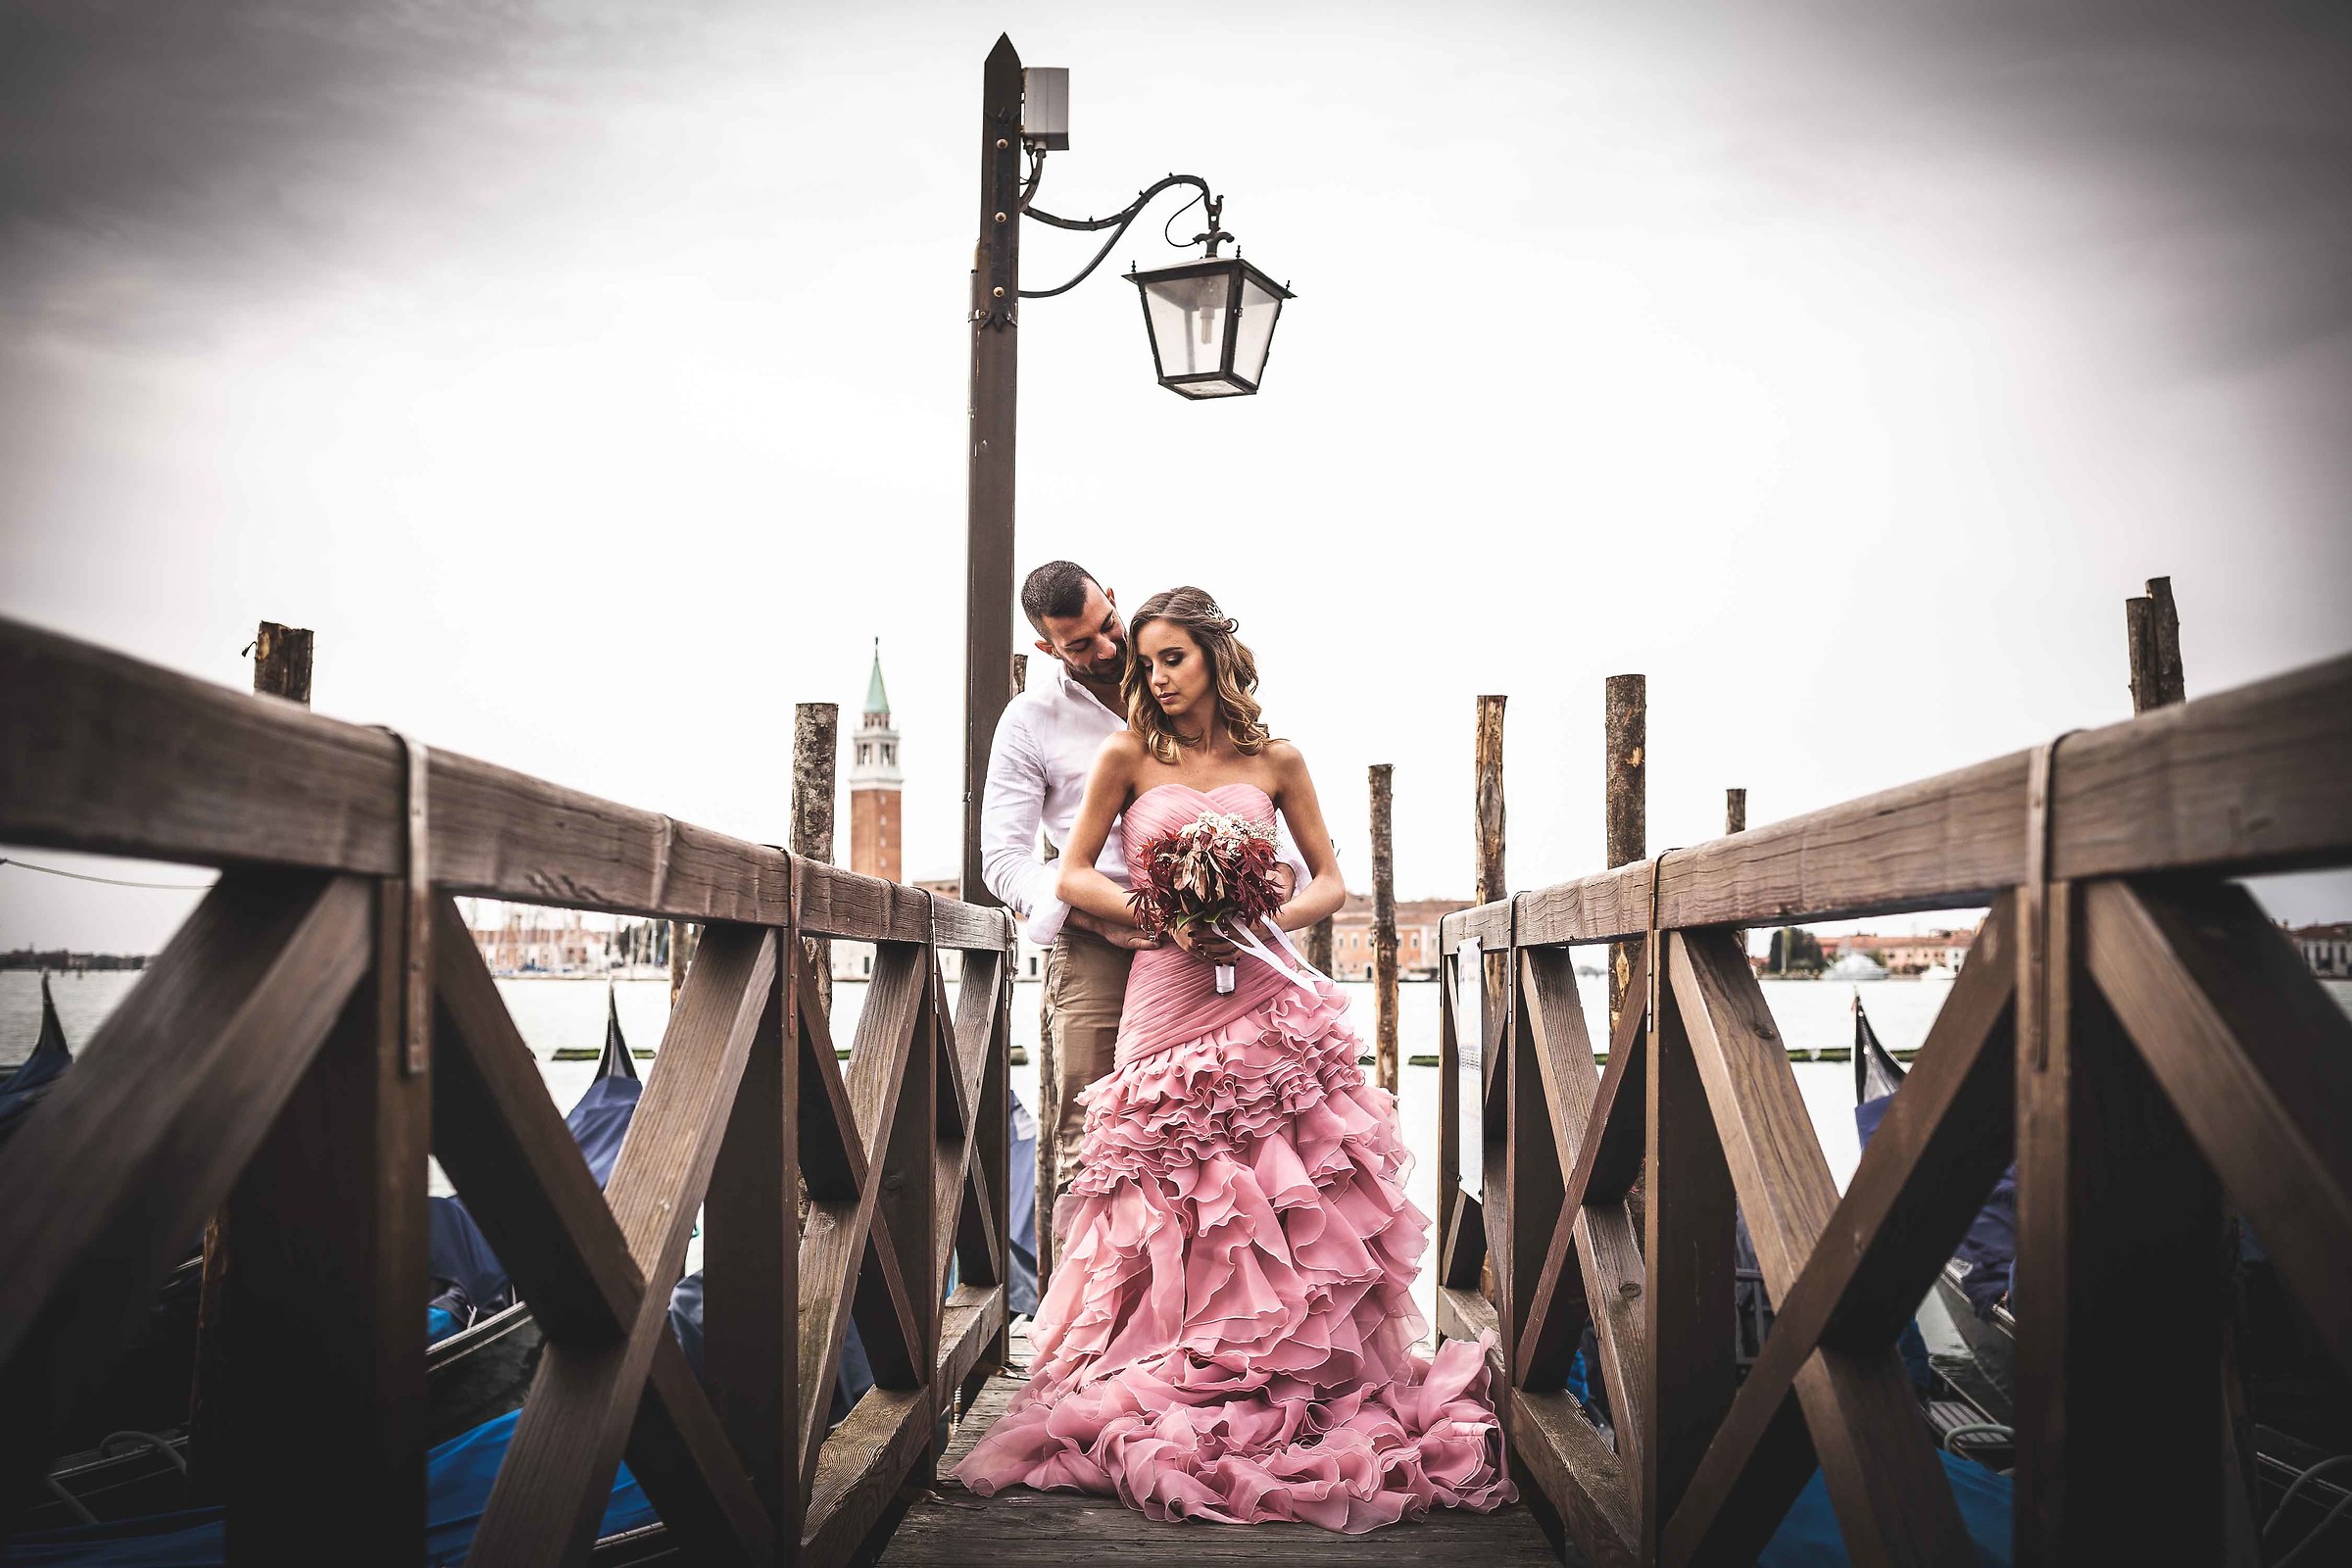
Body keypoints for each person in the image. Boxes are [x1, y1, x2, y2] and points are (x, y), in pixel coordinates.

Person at [956, 587, 1511, 1532]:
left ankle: (1282, 1359)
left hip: (1265, 985)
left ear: (1215, 656)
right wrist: (1169, 917)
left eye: (1174, 660)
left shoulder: (1279, 758)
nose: (1159, 679)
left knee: (1284, 1177)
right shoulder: (1125, 754)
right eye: (1150, 664)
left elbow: (1332, 880)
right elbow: (1076, 870)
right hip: (1163, 984)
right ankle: (1160, 1356)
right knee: (1165, 1179)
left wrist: (1256, 917)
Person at [981, 562, 1306, 1202]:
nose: (1106, 649)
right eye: (1080, 645)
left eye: (1108, 626)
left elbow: (1260, 795)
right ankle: (1092, 1304)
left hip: (1223, 946)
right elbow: (1002, 859)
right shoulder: (1029, 721)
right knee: (1094, 1139)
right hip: (1100, 945)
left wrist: (1270, 880)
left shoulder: (1182, 674)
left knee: (1234, 1136)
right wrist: (1100, 916)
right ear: (1047, 648)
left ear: (1113, 597)